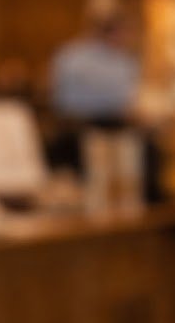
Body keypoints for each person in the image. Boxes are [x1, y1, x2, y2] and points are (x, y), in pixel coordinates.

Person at [48, 13, 164, 204]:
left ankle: (147, 206)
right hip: (81, 124)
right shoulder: (73, 57)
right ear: (109, 33)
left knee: (150, 150)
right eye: (124, 34)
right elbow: (61, 99)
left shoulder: (123, 61)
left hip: (117, 122)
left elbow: (128, 99)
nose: (127, 39)